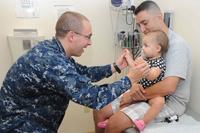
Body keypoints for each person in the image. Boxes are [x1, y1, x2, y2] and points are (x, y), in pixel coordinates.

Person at [0, 11, 150, 132]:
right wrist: (130, 79)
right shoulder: (51, 61)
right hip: (20, 127)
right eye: (88, 37)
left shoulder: (53, 49)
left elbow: (82, 73)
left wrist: (115, 66)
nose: (90, 42)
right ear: (72, 36)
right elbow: (94, 98)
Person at [93, 1, 192, 133]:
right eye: (139, 25)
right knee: (99, 109)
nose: (143, 29)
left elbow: (169, 87)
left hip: (166, 102)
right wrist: (133, 86)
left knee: (114, 124)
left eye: (145, 23)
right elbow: (136, 72)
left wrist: (132, 96)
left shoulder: (177, 45)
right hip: (144, 92)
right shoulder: (149, 42)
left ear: (159, 17)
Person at [97, 30, 169, 131]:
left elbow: (152, 75)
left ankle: (143, 122)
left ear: (157, 48)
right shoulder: (146, 59)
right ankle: (111, 119)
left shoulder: (159, 62)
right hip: (139, 91)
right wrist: (129, 57)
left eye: (146, 46)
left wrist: (144, 68)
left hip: (152, 94)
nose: (143, 48)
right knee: (125, 102)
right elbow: (134, 66)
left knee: (159, 101)